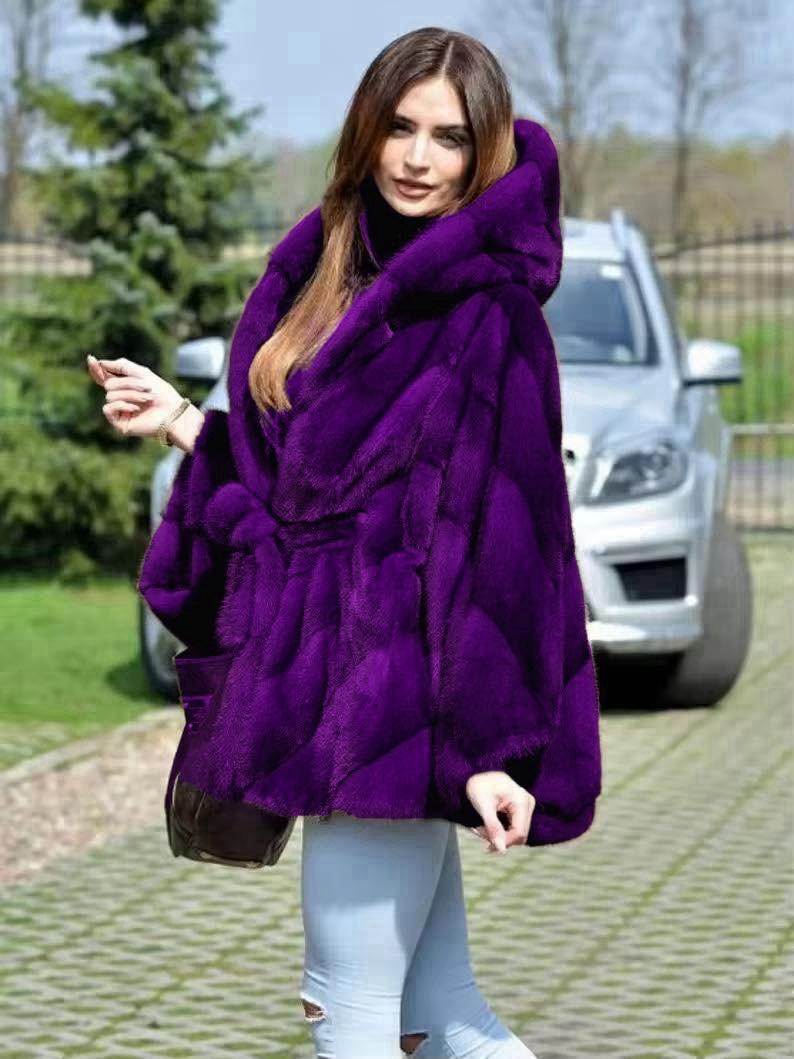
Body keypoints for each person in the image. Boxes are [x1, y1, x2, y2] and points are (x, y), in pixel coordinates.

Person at [87, 26, 602, 1059]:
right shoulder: (329, 267)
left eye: (449, 139)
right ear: (365, 130)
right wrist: (183, 419)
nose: (417, 158)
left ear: (485, 152)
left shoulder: (490, 311)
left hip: (397, 703)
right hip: (332, 690)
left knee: (347, 1010)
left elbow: (509, 546)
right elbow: (297, 493)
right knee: (439, 1015)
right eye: (400, 128)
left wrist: (491, 749)